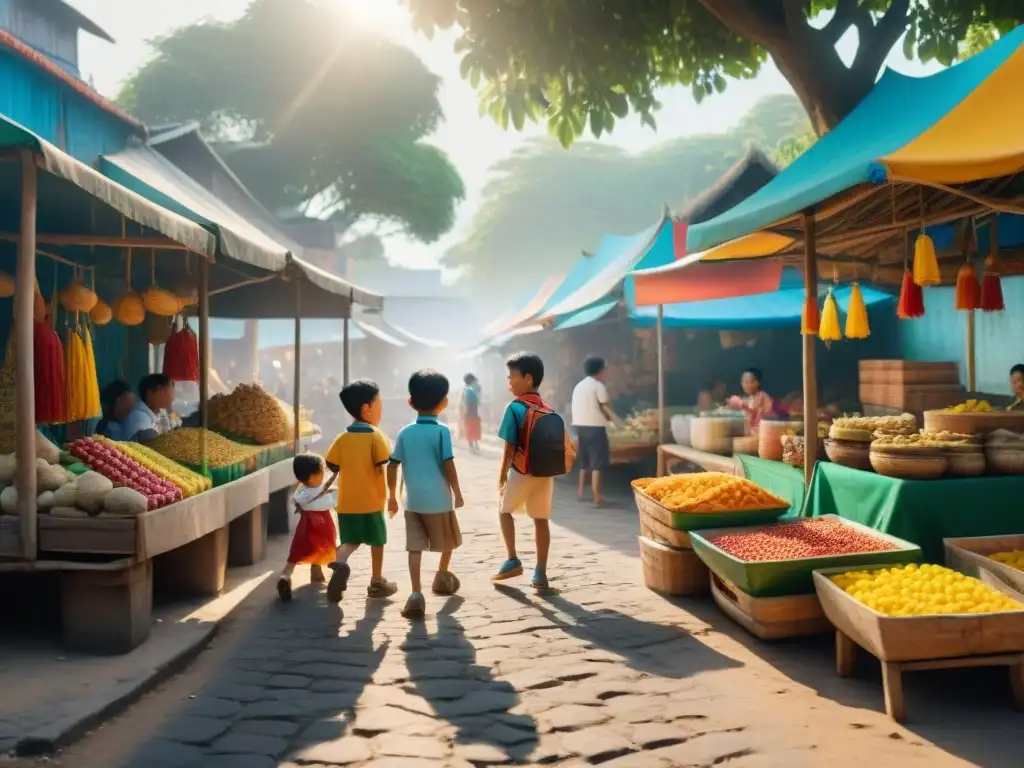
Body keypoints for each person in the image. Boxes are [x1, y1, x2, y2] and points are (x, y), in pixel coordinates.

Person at [492, 352, 575, 590]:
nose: (509, 382)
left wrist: (501, 477)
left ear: (528, 378)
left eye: (512, 377)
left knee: (504, 510)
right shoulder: (547, 407)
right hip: (544, 474)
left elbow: (509, 447)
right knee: (541, 520)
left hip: (521, 471)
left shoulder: (515, 408)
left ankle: (512, 558)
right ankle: (540, 572)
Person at [387, 370, 465, 619]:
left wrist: (391, 495)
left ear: (411, 402)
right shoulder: (442, 431)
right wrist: (458, 493)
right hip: (439, 500)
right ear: (444, 402)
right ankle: (442, 574)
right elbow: (448, 464)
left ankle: (415, 594)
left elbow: (392, 465)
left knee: (415, 548)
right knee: (449, 540)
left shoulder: (404, 432)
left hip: (412, 501)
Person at [322, 379, 398, 604]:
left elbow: (332, 464)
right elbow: (384, 461)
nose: (382, 410)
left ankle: (340, 559)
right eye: (380, 404)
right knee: (377, 541)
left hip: (346, 503)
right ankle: (376, 581)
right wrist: (393, 496)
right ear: (367, 409)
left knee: (352, 540)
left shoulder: (342, 437)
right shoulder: (376, 436)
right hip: (372, 502)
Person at [276, 454, 339, 602]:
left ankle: (285, 576)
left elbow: (298, 500)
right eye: (321, 471)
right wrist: (333, 493)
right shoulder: (319, 492)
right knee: (325, 548)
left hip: (305, 527)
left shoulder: (302, 492)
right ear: (312, 476)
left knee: (298, 552)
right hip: (322, 525)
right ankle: (329, 574)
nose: (323, 474)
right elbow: (330, 503)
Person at [571, 356, 620, 507]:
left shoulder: (579, 386)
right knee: (598, 463)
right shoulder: (598, 386)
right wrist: (618, 421)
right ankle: (597, 498)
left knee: (585, 461)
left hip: (581, 426)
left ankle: (580, 493)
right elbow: (605, 407)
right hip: (596, 427)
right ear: (600, 370)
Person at [120, 373, 176, 443]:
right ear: (157, 391)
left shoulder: (159, 414)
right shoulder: (139, 417)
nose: (172, 397)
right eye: (169, 390)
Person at [727, 367, 785, 434]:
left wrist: (744, 406)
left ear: (757, 383)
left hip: (761, 433)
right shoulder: (744, 398)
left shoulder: (763, 397)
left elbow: (766, 419)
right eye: (743, 382)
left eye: (748, 382)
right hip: (748, 433)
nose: (745, 385)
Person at [459, 373, 482, 452]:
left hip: (469, 413)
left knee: (469, 429)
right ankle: (475, 445)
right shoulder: (474, 389)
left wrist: (464, 414)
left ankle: (472, 445)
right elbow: (478, 402)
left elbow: (466, 403)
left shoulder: (468, 390)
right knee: (474, 429)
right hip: (475, 413)